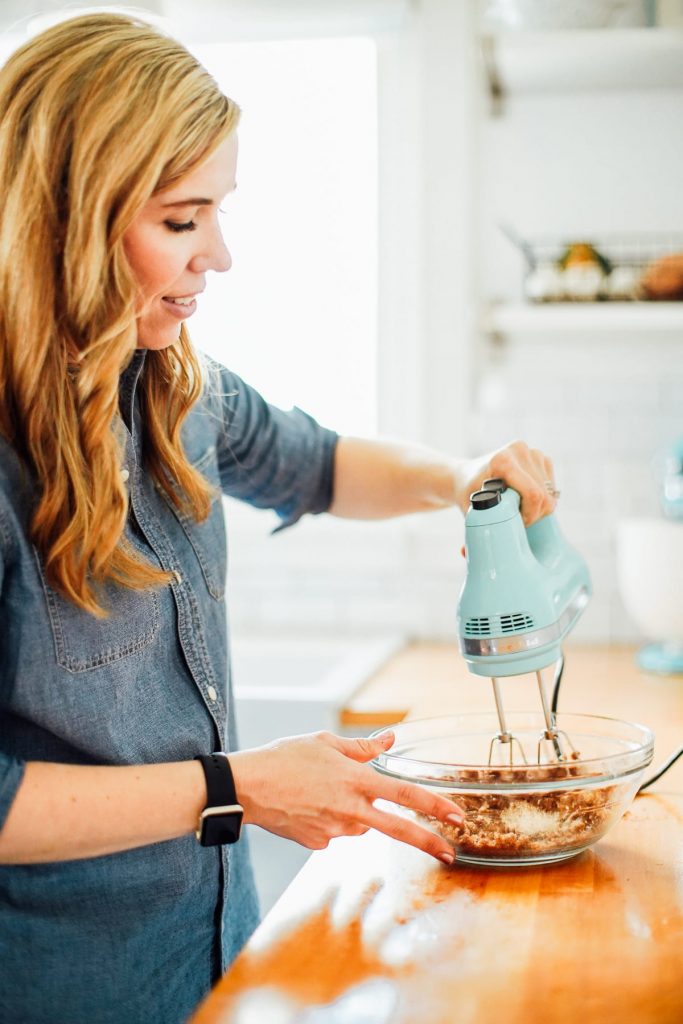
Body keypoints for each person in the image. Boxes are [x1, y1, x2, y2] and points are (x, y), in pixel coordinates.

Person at [0, 13, 558, 1024]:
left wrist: (462, 473)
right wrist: (232, 784)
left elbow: (322, 464)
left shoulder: (175, 387)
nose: (219, 253)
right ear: (65, 224)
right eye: (180, 220)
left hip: (206, 955)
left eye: (219, 210)